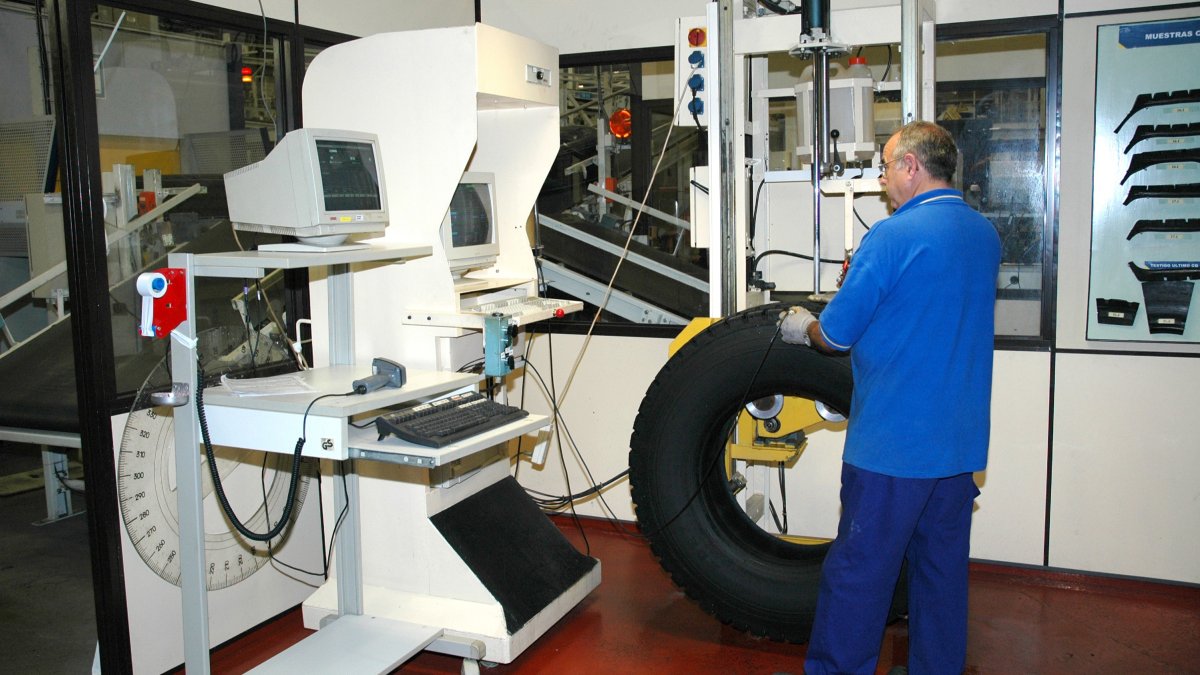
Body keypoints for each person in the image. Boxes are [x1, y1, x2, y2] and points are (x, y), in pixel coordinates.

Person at [779, 121, 1001, 674]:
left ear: (911, 166)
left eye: (884, 168)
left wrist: (802, 326)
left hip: (893, 447)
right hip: (959, 445)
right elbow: (927, 309)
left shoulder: (891, 236)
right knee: (940, 575)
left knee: (859, 575)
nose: (881, 181)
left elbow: (836, 335)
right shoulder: (983, 234)